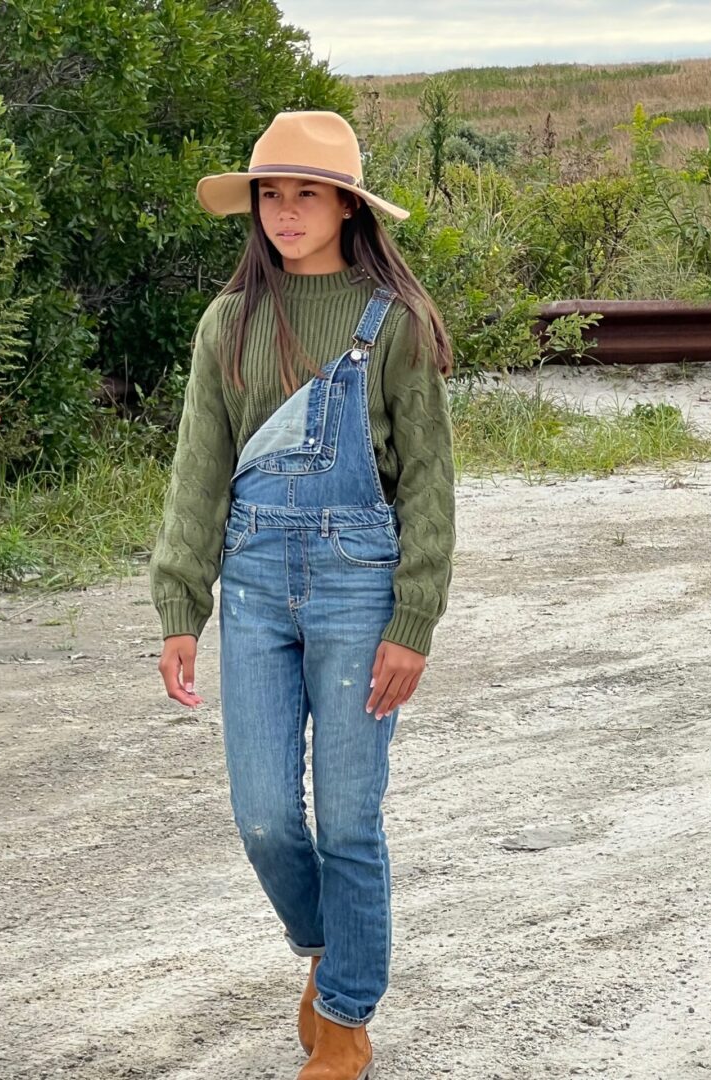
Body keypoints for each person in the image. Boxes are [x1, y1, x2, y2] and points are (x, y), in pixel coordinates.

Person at [150, 110, 456, 1080]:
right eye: (270, 195)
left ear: (346, 208)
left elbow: (429, 485)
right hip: (252, 589)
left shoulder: (393, 323)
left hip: (361, 591)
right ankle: (330, 950)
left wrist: (415, 617)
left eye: (306, 193)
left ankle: (347, 1015)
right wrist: (179, 604)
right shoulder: (229, 323)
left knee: (351, 819)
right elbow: (199, 471)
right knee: (268, 818)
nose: (285, 212)